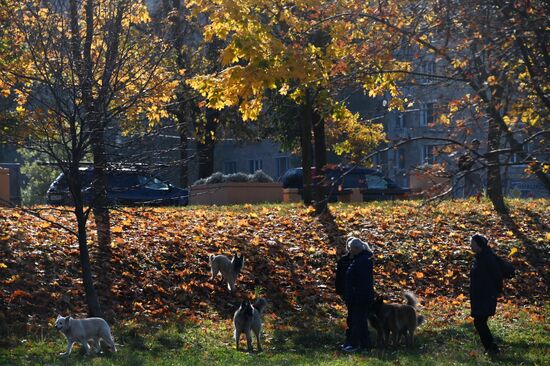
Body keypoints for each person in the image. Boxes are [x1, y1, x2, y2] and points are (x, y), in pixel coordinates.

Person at [469, 234, 502, 355]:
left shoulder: (487, 259)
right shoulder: (480, 257)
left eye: (473, 244)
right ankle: (490, 348)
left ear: (479, 246)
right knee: (480, 322)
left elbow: (497, 276)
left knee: (479, 322)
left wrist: (494, 292)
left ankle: (491, 348)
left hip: (486, 296)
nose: (470, 246)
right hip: (480, 296)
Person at [342, 237, 374, 353]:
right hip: (360, 296)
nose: (349, 250)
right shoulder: (361, 259)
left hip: (360, 297)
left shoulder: (363, 261)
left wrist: (355, 295)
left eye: (351, 248)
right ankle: (365, 344)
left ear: (356, 248)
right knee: (360, 321)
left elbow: (361, 281)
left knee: (358, 321)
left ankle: (354, 344)